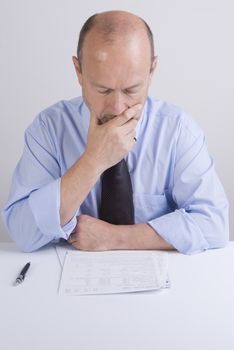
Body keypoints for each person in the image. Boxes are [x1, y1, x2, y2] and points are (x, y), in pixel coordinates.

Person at [2, 10, 229, 254]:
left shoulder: (177, 130)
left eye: (131, 90)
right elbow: (22, 231)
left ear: (151, 71)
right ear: (78, 72)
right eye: (103, 90)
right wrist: (94, 160)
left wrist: (115, 238)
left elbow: (214, 224)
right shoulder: (49, 129)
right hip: (64, 282)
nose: (118, 108)